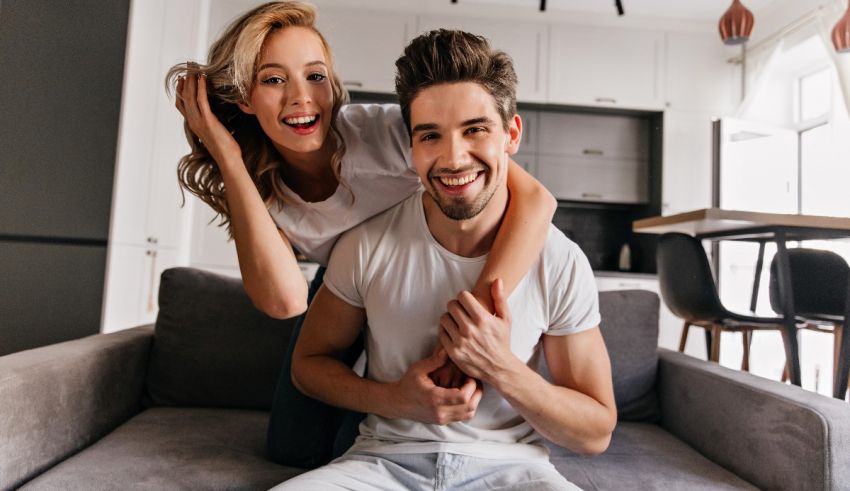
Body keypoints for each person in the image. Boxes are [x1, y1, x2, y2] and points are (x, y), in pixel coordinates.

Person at [168, 1, 556, 467]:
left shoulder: (383, 131)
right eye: (273, 80)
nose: (301, 98)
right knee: (292, 448)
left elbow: (537, 200)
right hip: (341, 287)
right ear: (245, 100)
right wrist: (226, 154)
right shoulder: (258, 186)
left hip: (420, 274)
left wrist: (471, 324)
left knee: (358, 445)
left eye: (315, 76)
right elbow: (288, 302)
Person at [277, 28, 617, 490]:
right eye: (430, 135)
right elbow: (308, 366)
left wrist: (500, 366)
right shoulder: (366, 244)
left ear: (511, 134)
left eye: (475, 129)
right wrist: (397, 400)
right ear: (411, 147)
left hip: (512, 471)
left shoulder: (560, 261)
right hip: (382, 466)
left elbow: (596, 432)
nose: (454, 158)